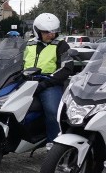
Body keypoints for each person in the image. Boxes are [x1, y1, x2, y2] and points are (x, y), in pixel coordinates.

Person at [25, 12, 73, 144]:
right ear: (37, 31)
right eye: (46, 32)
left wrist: (46, 83)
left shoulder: (62, 45)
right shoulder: (28, 44)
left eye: (53, 32)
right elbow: (16, 62)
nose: (51, 35)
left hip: (49, 83)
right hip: (25, 82)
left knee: (53, 112)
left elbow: (66, 68)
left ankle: (54, 144)